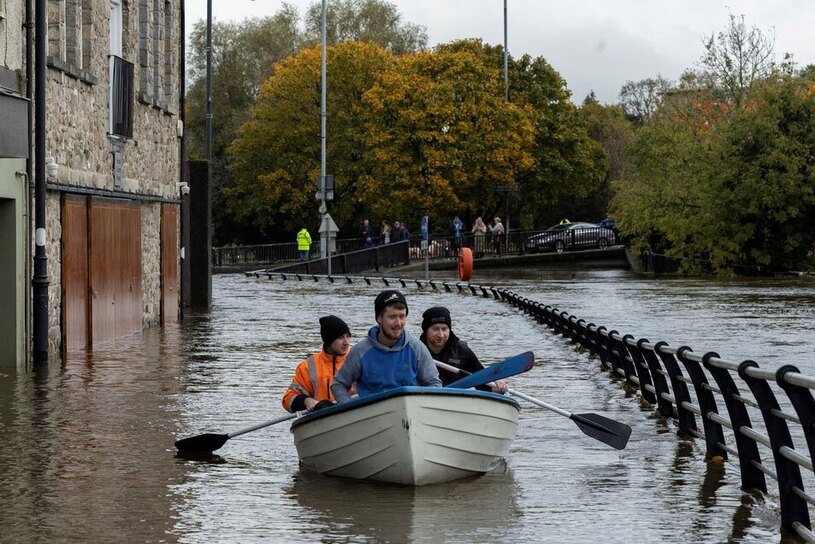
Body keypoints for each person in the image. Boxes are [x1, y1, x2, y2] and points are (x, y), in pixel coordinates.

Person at [331, 290, 441, 403]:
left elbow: (434, 383)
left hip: (413, 407)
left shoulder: (417, 348)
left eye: (402, 316)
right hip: (372, 411)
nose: (398, 323)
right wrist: (348, 405)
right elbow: (338, 384)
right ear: (379, 318)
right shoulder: (360, 351)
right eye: (392, 317)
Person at [419, 306, 508, 393]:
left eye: (444, 329)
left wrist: (495, 386)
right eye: (435, 329)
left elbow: (480, 379)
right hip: (424, 395)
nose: (441, 335)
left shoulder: (462, 350)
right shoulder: (416, 350)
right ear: (426, 330)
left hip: (456, 397)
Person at [282, 315, 352, 413]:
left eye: (348, 336)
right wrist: (306, 400)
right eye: (341, 338)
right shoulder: (307, 367)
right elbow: (288, 399)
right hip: (321, 417)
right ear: (328, 340)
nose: (346, 342)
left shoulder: (357, 358)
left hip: (353, 411)